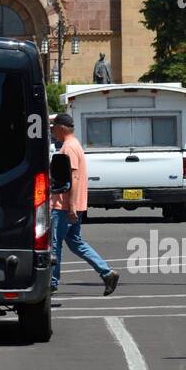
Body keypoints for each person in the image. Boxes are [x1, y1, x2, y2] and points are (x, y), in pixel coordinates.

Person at [49, 113, 118, 296]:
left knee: (55, 245)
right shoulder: (74, 145)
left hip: (64, 206)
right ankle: (107, 273)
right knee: (75, 242)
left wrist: (70, 206)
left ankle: (52, 283)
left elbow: (73, 177)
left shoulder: (69, 148)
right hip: (74, 204)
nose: (52, 131)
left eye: (54, 127)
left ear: (62, 128)